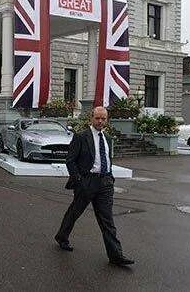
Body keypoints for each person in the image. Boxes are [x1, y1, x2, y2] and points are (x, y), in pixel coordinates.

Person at [54, 106, 134, 267]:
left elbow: (107, 159)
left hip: (105, 183)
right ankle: (62, 237)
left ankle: (115, 255)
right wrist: (79, 180)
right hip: (87, 182)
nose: (100, 121)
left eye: (103, 118)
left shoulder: (108, 138)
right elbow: (70, 160)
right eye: (97, 118)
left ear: (107, 120)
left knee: (107, 220)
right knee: (74, 212)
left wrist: (110, 178)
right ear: (91, 118)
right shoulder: (81, 136)